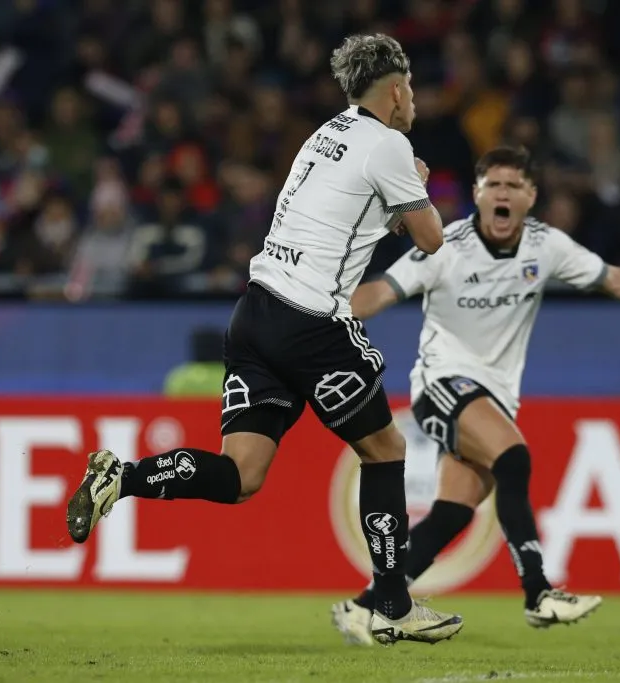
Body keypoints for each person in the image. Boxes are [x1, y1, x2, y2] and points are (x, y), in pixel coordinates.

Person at [66, 33, 464, 646]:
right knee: (385, 452)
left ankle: (122, 478)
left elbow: (345, 222)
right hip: (310, 323)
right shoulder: (389, 145)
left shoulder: (324, 136)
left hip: (253, 315)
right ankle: (391, 602)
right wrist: (416, 180)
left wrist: (392, 202)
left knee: (242, 475)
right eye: (409, 88)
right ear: (394, 89)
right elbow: (432, 239)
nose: (413, 99)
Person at [331, 145, 620, 645]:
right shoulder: (444, 246)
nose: (503, 194)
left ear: (531, 197)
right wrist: (324, 317)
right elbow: (381, 292)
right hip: (442, 386)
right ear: (477, 194)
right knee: (513, 458)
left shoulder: (546, 245)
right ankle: (538, 593)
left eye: (514, 186)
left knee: (452, 512)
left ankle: (364, 609)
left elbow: (616, 280)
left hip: (494, 395)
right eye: (493, 185)